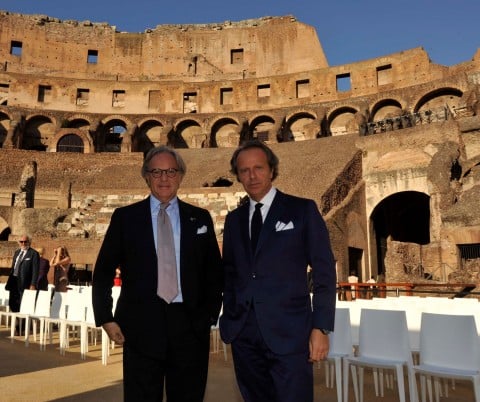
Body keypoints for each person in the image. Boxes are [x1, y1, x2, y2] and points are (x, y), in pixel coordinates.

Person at [92, 145, 223, 402]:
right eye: (157, 172)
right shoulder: (125, 218)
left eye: (171, 172)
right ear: (146, 176)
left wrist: (208, 315)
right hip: (140, 328)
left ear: (181, 176)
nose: (164, 178)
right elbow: (104, 269)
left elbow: (213, 272)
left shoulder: (200, 218)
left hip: (190, 329)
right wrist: (105, 317)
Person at [219, 140, 336, 402]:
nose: (252, 176)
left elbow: (324, 271)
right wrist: (229, 319)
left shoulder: (302, 210)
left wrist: (321, 327)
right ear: (238, 176)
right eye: (244, 170)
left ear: (272, 170)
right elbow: (230, 274)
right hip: (244, 335)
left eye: (258, 168)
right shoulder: (234, 220)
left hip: (291, 333)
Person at [6, 235, 40, 312]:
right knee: (12, 302)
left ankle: (22, 322)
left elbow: (35, 270)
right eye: (21, 242)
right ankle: (16, 320)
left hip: (25, 282)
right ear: (19, 242)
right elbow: (13, 267)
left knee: (23, 303)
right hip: (14, 281)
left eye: (25, 241)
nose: (23, 243)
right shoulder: (17, 253)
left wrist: (33, 284)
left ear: (29, 242)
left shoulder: (34, 254)